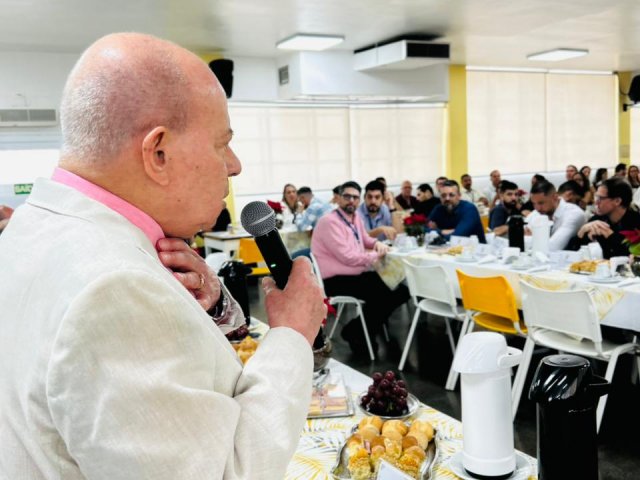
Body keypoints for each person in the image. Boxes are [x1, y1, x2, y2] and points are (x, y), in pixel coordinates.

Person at [0, 33, 327, 479]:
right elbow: (226, 471)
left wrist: (205, 307)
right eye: (221, 144)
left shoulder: (32, 227)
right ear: (158, 153)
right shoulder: (114, 288)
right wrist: (292, 334)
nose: (234, 165)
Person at [311, 181, 409, 355]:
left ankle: (357, 330)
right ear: (338, 198)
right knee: (385, 294)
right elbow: (348, 257)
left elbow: (364, 239)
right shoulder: (329, 222)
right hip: (334, 280)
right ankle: (359, 332)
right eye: (347, 196)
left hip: (355, 275)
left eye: (355, 197)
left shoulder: (355, 217)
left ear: (359, 200)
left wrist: (377, 243)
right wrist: (376, 255)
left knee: (401, 290)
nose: (351, 200)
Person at [574, 177, 640, 258]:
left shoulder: (636, 222)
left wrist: (610, 236)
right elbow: (571, 251)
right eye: (596, 197)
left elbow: (633, 257)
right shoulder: (597, 219)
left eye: (600, 198)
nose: (596, 202)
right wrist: (581, 231)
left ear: (617, 201)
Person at [526, 181, 586, 251]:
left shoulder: (574, 214)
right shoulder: (536, 213)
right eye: (534, 203)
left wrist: (534, 238)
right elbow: (519, 241)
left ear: (555, 197)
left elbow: (553, 247)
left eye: (541, 203)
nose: (537, 208)